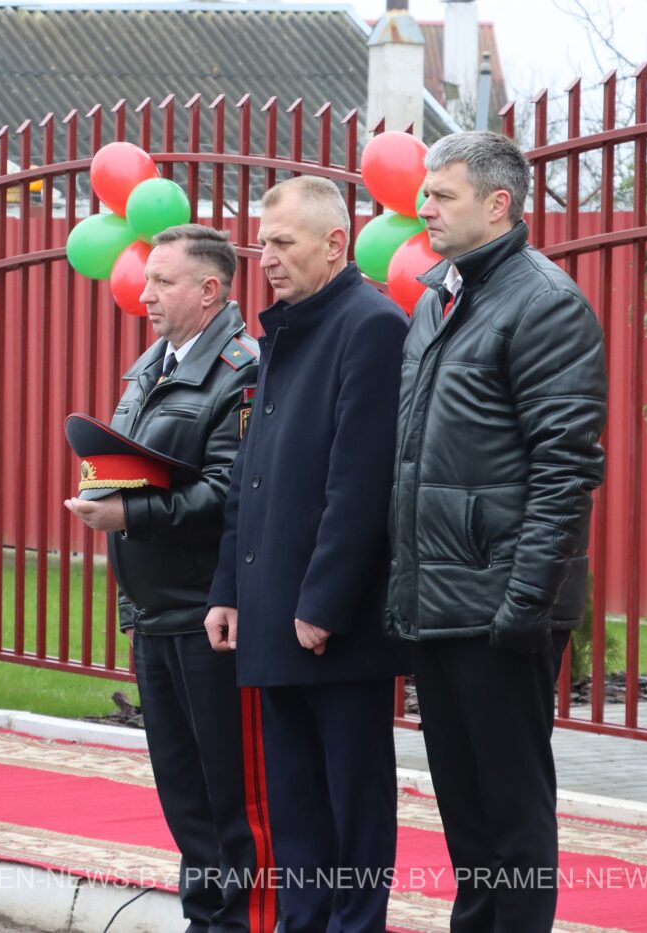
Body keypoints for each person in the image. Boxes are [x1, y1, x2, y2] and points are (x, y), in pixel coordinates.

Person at [386, 131, 607, 932]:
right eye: (425, 193)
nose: (424, 207)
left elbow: (566, 468)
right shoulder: (436, 298)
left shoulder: (544, 304)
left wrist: (524, 604)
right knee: (466, 815)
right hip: (440, 602)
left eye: (442, 195)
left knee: (511, 814)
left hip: (501, 608)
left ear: (498, 203)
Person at [205, 175, 408, 933]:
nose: (266, 259)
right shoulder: (286, 330)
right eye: (263, 244)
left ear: (335, 243)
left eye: (284, 243)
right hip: (272, 608)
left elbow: (360, 485)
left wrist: (323, 604)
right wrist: (228, 590)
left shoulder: (371, 326)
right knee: (293, 802)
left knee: (351, 801)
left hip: (332, 623)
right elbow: (250, 478)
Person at [65, 224, 273, 933]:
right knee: (183, 788)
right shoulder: (152, 365)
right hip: (153, 609)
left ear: (210, 290)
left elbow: (229, 491)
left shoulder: (242, 370)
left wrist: (130, 514)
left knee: (230, 790)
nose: (145, 293)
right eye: (147, 279)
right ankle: (204, 916)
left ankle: (239, 919)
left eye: (162, 281)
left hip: (208, 612)